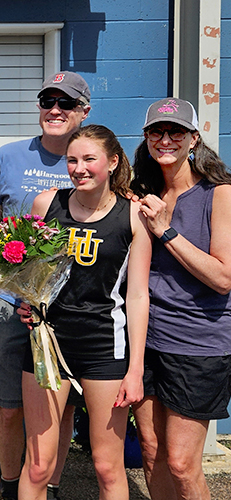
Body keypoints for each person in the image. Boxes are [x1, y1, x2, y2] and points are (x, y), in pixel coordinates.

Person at [18, 124, 152, 500]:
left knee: (107, 467)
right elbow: (28, 272)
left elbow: (138, 294)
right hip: (48, 343)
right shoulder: (46, 204)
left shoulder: (134, 216)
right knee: (39, 464)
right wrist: (26, 302)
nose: (79, 168)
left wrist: (136, 369)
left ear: (111, 162)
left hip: (103, 348)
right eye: (72, 160)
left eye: (89, 159)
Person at [0, 71, 91, 500]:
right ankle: (10, 485)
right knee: (7, 406)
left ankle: (52, 486)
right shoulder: (6, 158)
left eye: (66, 103)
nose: (55, 110)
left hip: (70, 311)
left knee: (58, 412)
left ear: (84, 112)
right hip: (12, 305)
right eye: (48, 101)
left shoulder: (93, 157)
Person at [129, 98, 231, 500]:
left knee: (182, 464)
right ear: (147, 138)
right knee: (151, 454)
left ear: (194, 138)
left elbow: (223, 278)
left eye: (176, 132)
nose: (165, 139)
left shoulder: (218, 194)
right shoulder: (142, 193)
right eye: (157, 131)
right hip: (146, 340)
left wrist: (166, 231)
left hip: (198, 343)